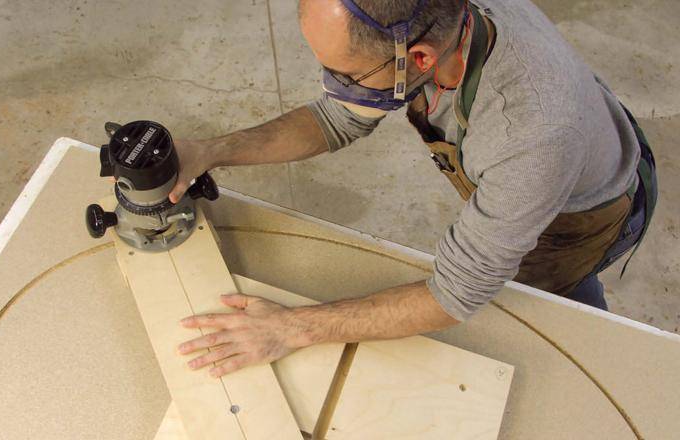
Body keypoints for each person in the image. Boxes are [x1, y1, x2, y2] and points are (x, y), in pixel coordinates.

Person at [171, 0, 657, 378]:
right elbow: (335, 118)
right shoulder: (432, 25)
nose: (334, 85)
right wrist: (209, 151)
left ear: (418, 57)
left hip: (579, 219)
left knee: (556, 317)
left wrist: (288, 328)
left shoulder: (528, 137)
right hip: (561, 149)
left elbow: (454, 295)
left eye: (347, 73)